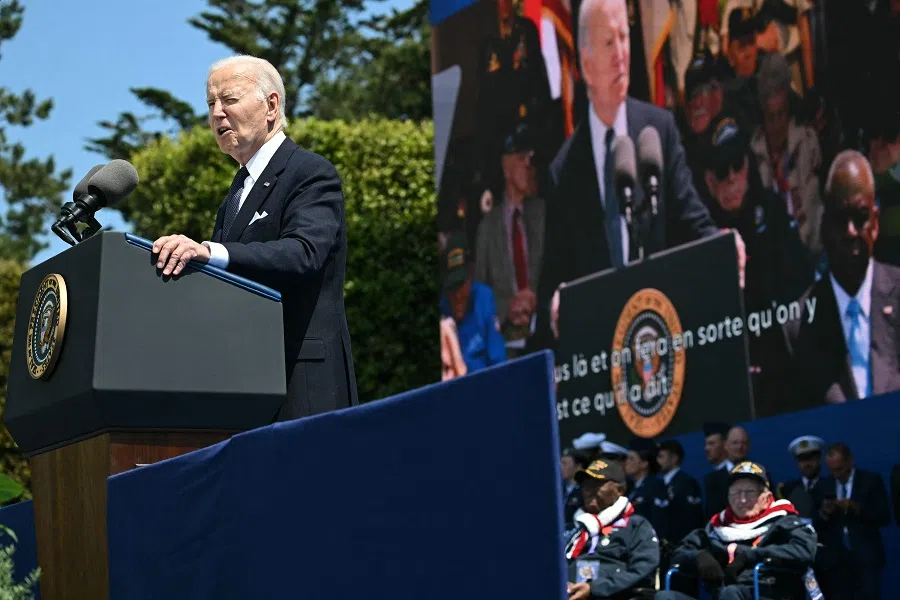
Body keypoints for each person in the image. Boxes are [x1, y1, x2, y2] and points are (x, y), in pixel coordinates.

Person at [151, 55, 357, 420]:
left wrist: (209, 251)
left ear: (271, 105)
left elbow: (303, 253)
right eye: (211, 104)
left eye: (229, 100)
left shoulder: (309, 171)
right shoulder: (234, 195)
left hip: (302, 381)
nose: (217, 114)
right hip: (247, 385)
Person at [534, 0, 746, 345]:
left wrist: (723, 244)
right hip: (607, 348)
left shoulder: (658, 130)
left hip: (665, 331)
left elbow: (693, 223)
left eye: (624, 37)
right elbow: (554, 284)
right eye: (607, 43)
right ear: (586, 65)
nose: (621, 53)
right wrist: (557, 306)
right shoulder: (564, 171)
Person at [783, 150, 900, 409]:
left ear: (876, 223)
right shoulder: (798, 329)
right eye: (839, 218)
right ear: (824, 227)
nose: (849, 232)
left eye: (860, 218)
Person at [656, 461, 819, 600]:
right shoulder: (717, 526)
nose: (742, 499)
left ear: (767, 497)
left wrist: (751, 555)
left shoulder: (784, 521)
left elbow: (804, 550)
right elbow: (679, 553)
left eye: (750, 492)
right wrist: (699, 556)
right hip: (724, 595)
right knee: (664, 597)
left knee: (731, 592)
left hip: (767, 593)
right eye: (735, 492)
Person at [565, 458, 660, 599]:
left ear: (619, 490)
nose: (589, 491)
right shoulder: (574, 529)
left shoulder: (636, 525)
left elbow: (643, 569)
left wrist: (594, 589)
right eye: (586, 485)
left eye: (597, 485)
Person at [814, 443, 891, 600]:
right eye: (832, 470)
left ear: (850, 461)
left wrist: (858, 508)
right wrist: (825, 512)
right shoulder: (824, 485)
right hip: (837, 561)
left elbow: (884, 517)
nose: (837, 474)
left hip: (866, 558)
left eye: (840, 468)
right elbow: (816, 524)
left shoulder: (871, 480)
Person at [439, 231, 507, 374]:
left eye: (461, 285)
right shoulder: (442, 307)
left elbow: (498, 360)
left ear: (470, 276)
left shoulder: (484, 298)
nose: (457, 295)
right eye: (453, 287)